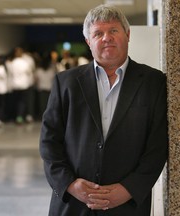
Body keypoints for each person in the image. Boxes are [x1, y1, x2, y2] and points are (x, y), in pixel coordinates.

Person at [39, 4, 168, 216]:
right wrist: (70, 184)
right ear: (89, 42)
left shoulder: (153, 82)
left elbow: (157, 146)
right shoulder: (67, 83)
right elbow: (49, 141)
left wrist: (128, 190)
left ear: (128, 35)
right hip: (73, 205)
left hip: (127, 206)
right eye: (98, 33)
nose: (106, 38)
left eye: (113, 31)